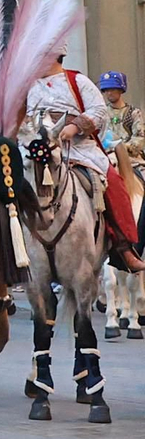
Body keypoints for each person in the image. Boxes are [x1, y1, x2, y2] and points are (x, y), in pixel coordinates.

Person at [26, 50, 145, 272]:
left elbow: (99, 110)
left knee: (114, 183)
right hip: (36, 151)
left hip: (78, 148)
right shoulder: (28, 85)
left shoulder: (77, 80)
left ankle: (123, 246)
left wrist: (75, 126)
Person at [98, 71, 144, 153]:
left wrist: (124, 147)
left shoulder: (133, 113)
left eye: (112, 89)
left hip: (130, 156)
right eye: (106, 90)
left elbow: (139, 138)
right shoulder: (101, 113)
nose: (109, 93)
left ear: (120, 90)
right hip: (106, 154)